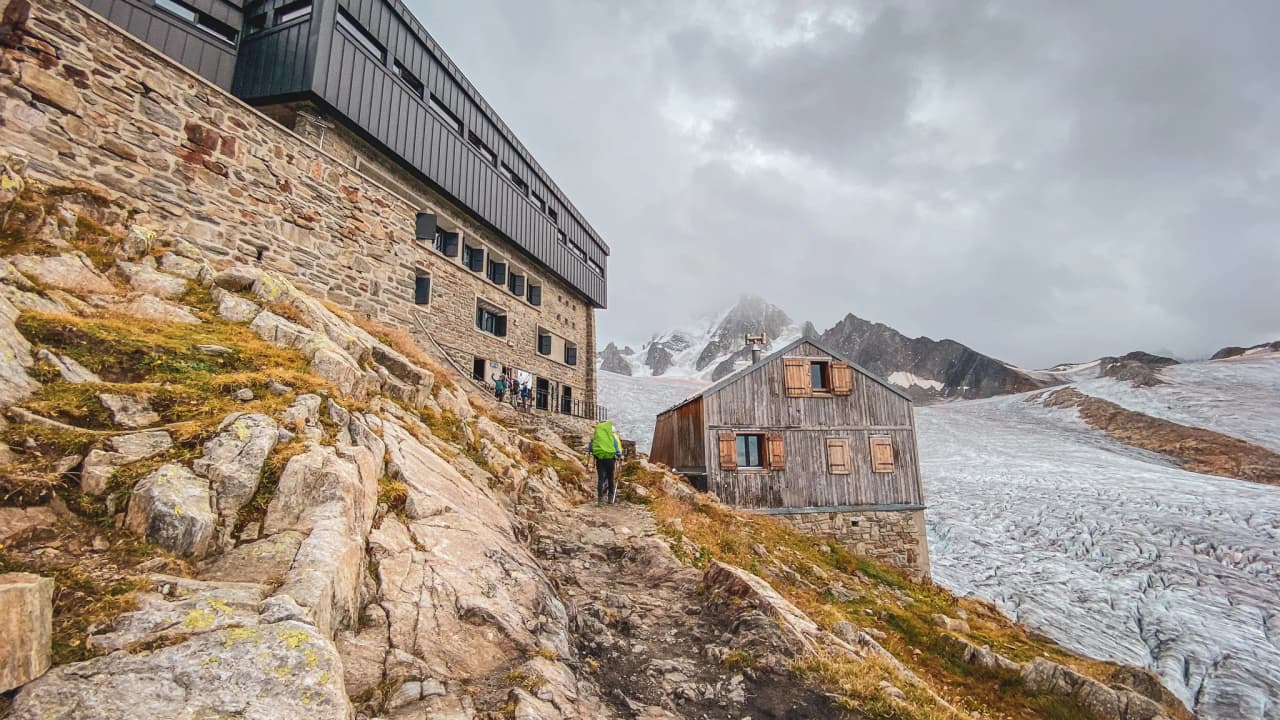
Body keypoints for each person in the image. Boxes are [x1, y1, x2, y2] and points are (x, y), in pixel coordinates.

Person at [590, 420, 623, 506]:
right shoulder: (611, 437)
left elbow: (591, 448)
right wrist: (619, 455)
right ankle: (610, 498)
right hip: (610, 460)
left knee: (601, 479)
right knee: (610, 478)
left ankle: (600, 499)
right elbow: (617, 449)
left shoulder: (597, 437)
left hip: (600, 460)